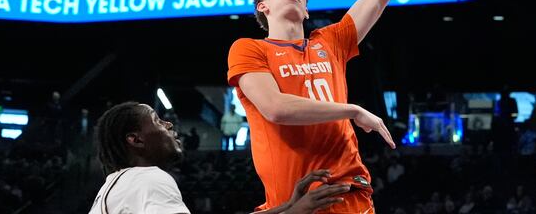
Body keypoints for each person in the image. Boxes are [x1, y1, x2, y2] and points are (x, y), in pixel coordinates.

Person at [227, 0, 448, 213]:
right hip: (293, 201)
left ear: (306, 9)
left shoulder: (329, 41)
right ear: (262, 6)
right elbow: (276, 108)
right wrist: (353, 110)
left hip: (347, 190)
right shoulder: (248, 49)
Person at [89, 102, 348, 214]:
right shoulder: (148, 179)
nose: (168, 124)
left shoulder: (121, 185)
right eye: (157, 121)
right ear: (135, 140)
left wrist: (288, 206)